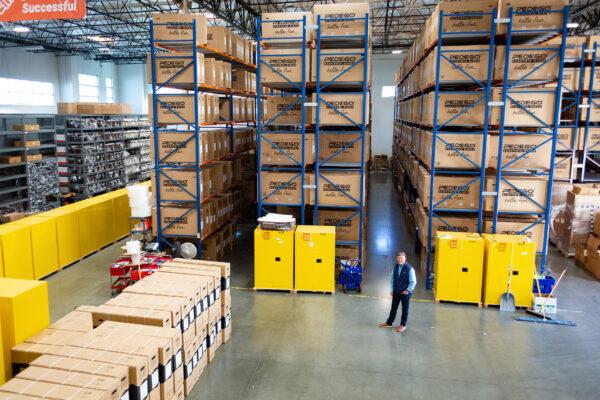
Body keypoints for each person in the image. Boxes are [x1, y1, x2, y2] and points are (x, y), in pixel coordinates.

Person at [378, 252, 416, 332]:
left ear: (405, 259)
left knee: (405, 309)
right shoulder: (395, 266)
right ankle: (389, 322)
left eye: (401, 258)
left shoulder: (409, 268)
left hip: (405, 293)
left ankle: (403, 325)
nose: (400, 259)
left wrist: (408, 290)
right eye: (398, 258)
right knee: (393, 307)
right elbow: (392, 279)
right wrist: (392, 290)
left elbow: (413, 281)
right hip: (396, 291)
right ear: (397, 259)